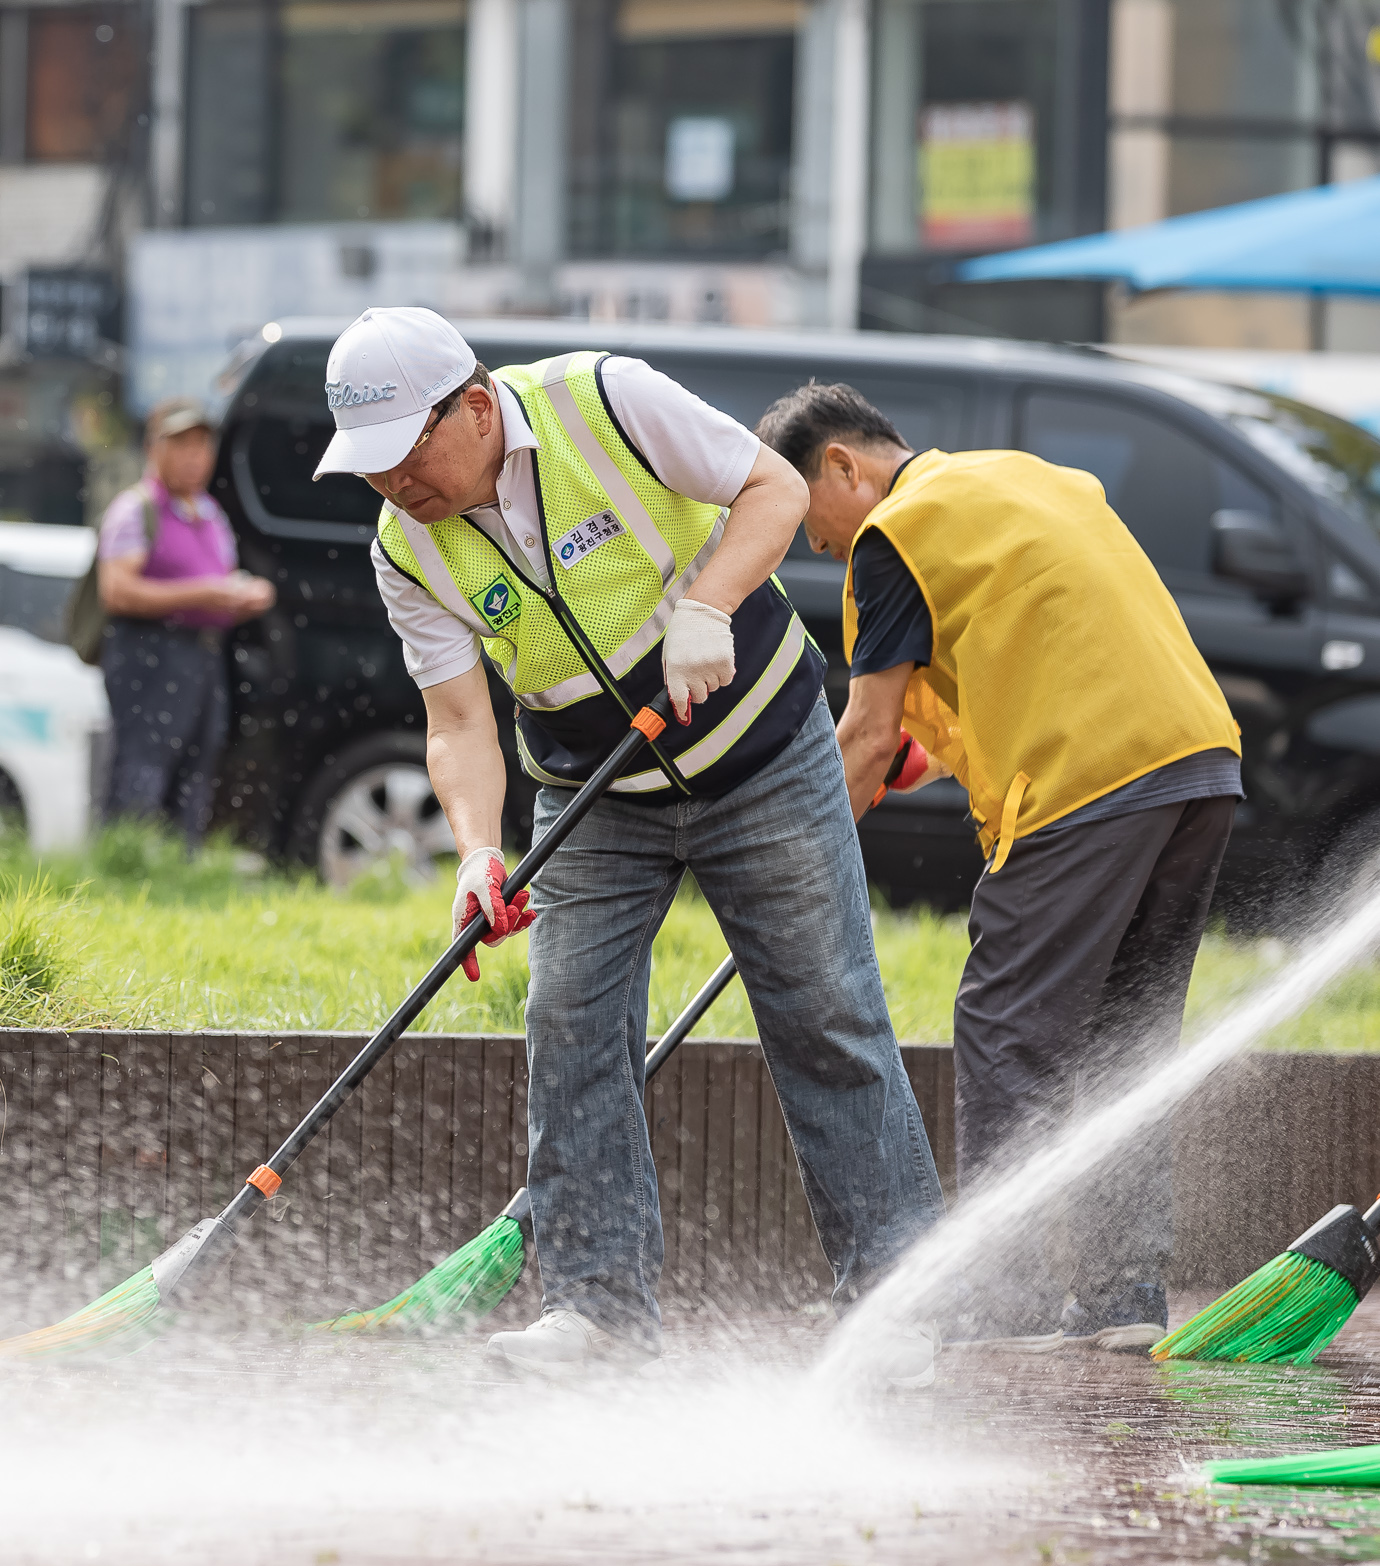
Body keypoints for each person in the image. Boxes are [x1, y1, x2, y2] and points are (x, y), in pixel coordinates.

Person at [315, 307, 944, 1376]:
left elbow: (775, 488)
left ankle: (899, 1310)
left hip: (762, 756)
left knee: (826, 1017)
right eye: (367, 467)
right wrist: (476, 849)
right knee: (568, 1024)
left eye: (404, 453)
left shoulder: (601, 399)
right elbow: (459, 724)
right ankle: (599, 1311)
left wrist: (707, 603)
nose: (392, 484)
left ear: (472, 407)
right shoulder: (403, 548)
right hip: (591, 794)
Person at [758, 382, 1242, 1355]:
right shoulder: (1020, 480)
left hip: (1084, 778)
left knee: (1005, 1030)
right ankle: (1120, 1295)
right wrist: (923, 752)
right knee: (1124, 1037)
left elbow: (862, 733)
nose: (822, 551)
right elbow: (1036, 640)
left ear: (842, 467)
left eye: (814, 528)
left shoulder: (895, 531)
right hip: (1197, 763)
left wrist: (784, 863)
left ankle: (1003, 1296)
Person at [95, 398, 275, 847]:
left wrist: (242, 597)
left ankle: (177, 874)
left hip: (203, 654)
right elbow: (116, 591)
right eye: (180, 445)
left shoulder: (210, 514)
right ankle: (127, 865)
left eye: (201, 445)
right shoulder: (135, 510)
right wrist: (203, 594)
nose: (193, 456)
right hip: (148, 653)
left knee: (196, 764)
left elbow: (222, 578)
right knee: (142, 766)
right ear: (154, 448)